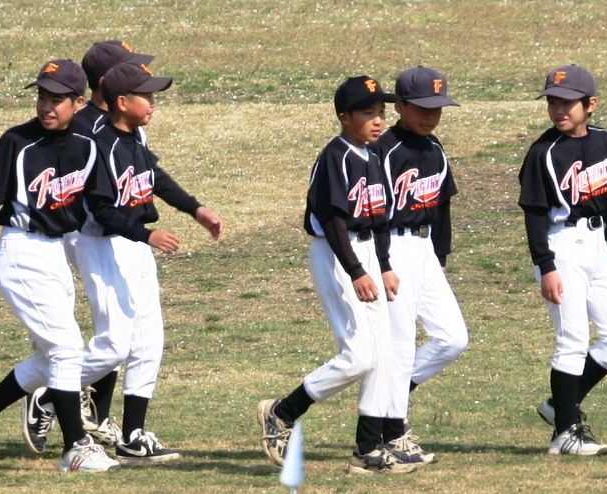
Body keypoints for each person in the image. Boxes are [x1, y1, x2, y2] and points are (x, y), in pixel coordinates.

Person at [0, 59, 119, 472]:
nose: (46, 105)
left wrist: (143, 230)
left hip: (56, 253)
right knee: (66, 350)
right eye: (42, 95)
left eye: (57, 98)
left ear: (78, 103)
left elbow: (101, 205)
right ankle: (75, 447)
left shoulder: (88, 146)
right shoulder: (18, 142)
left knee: (50, 357)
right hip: (20, 251)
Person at [257, 76, 416, 475]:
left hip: (366, 254)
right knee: (359, 356)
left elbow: (380, 219)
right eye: (368, 113)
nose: (378, 121)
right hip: (336, 255)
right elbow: (332, 221)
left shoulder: (372, 155)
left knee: (383, 354)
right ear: (344, 117)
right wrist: (357, 271)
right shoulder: (336, 156)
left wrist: (384, 265)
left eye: (381, 112)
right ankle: (282, 412)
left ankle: (368, 450)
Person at [75, 61, 223, 465]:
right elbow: (102, 210)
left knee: (149, 341)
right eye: (147, 96)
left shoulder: (135, 136)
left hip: (137, 246)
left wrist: (196, 209)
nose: (153, 103)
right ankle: (52, 388)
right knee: (114, 346)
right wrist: (148, 235)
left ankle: (133, 436)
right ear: (122, 102)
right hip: (105, 247)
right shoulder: (100, 142)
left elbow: (154, 177)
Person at [22, 39, 156, 455]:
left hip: (128, 233)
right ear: (108, 83)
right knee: (114, 336)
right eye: (133, 70)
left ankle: (109, 423)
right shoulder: (82, 126)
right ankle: (51, 394)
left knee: (139, 335)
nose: (144, 76)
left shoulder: (129, 124)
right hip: (92, 235)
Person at [518, 64, 607, 455]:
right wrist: (546, 265)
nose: (558, 110)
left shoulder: (605, 141)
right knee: (573, 341)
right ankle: (565, 434)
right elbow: (534, 214)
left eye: (567, 103)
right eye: (552, 102)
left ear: (591, 105)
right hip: (561, 246)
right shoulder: (543, 152)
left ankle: (559, 406)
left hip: (597, 245)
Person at [368, 66, 468, 466]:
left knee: (453, 338)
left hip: (425, 251)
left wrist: (440, 257)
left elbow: (442, 205)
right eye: (423, 107)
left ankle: (387, 397)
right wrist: (382, 261)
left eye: (437, 108)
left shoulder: (434, 147)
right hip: (392, 247)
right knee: (400, 343)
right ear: (401, 106)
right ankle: (393, 432)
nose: (431, 115)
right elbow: (373, 211)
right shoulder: (384, 148)